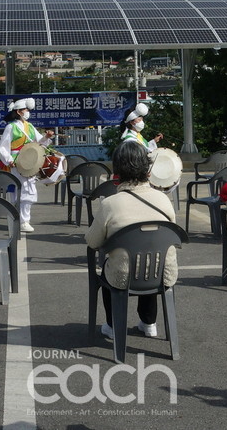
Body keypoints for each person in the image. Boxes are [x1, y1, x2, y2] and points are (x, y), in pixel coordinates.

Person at [85, 139, 178, 339]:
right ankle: (149, 322)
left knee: (111, 267)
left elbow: (93, 242)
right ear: (147, 169)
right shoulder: (164, 199)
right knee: (152, 260)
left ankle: (112, 326)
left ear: (117, 171)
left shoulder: (110, 204)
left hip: (123, 278)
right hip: (162, 276)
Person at [0, 97, 53, 233]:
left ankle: (23, 220)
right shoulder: (11, 127)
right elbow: (3, 146)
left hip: (29, 161)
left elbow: (39, 142)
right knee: (19, 191)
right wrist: (9, 159)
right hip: (17, 162)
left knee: (28, 189)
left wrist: (46, 137)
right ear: (18, 112)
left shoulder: (30, 126)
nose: (28, 112)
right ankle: (19, 219)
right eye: (26, 109)